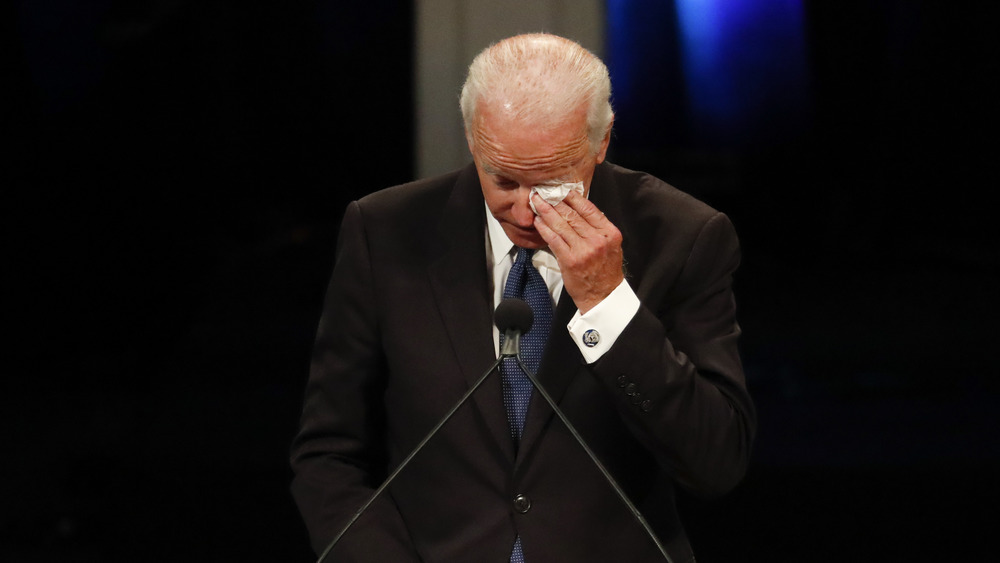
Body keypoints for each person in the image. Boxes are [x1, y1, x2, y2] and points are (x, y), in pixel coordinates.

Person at [291, 33, 755, 562]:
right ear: (473, 139)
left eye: (553, 183)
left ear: (600, 144)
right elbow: (329, 454)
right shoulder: (385, 232)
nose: (527, 212)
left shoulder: (683, 237)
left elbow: (715, 462)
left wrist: (608, 304)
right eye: (505, 180)